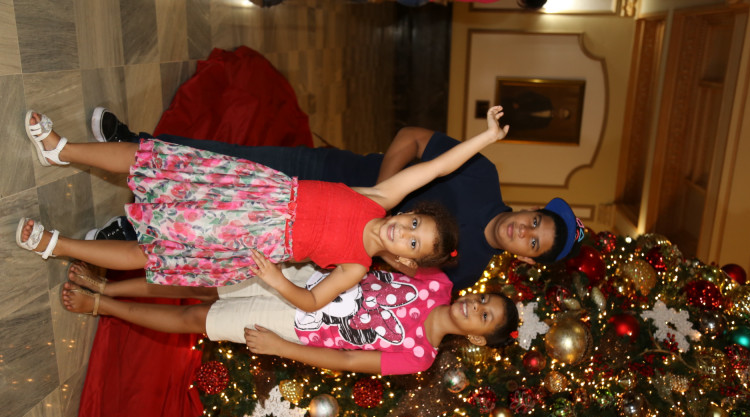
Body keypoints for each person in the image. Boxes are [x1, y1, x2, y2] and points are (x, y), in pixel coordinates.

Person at [17, 107, 508, 312]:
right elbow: (436, 166)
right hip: (255, 189)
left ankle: (58, 246)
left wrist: (277, 280)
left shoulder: (357, 266)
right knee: (159, 160)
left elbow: (312, 302)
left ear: (404, 261)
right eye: (415, 222)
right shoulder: (380, 197)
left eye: (414, 242)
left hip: (252, 242)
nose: (405, 230)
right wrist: (486, 136)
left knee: (152, 254)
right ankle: (62, 150)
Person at [92, 108, 584, 290]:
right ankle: (134, 145)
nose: (524, 231)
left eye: (533, 242)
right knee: (228, 164)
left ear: (527, 258)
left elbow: (396, 271)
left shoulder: (468, 270)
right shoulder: (483, 174)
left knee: (219, 233)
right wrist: (378, 200)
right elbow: (412, 138)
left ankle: (132, 230)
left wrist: (376, 248)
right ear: (531, 208)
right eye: (535, 221)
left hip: (314, 234)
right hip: (332, 178)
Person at [60, 262, 519, 375]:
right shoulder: (437, 281)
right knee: (199, 282)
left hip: (294, 326)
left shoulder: (419, 357)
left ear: (477, 339)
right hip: (306, 278)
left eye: (484, 317)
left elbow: (347, 361)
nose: (475, 307)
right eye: (484, 300)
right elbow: (381, 255)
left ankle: (103, 307)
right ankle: (108, 286)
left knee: (196, 318)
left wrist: (283, 348)